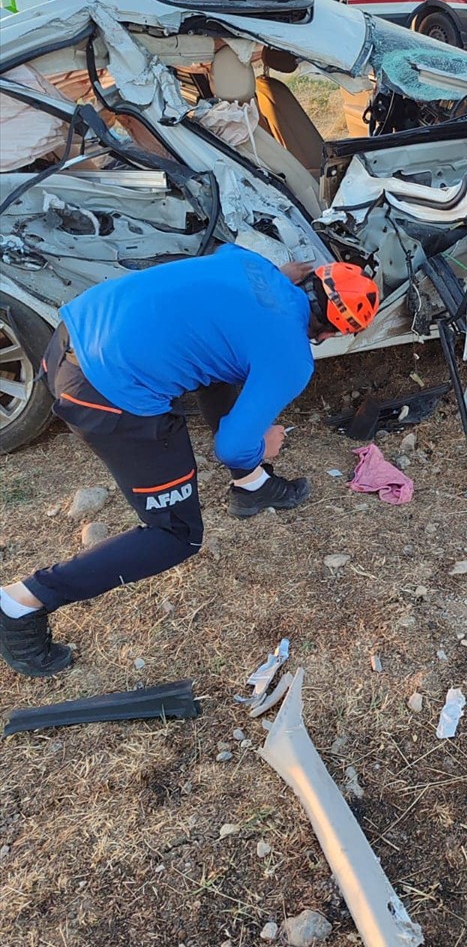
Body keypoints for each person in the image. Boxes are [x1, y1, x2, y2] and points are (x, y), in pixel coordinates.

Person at [0, 247, 380, 678]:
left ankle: (252, 488)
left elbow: (239, 297)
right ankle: (21, 602)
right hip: (104, 392)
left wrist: (277, 277)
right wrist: (259, 445)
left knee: (219, 362)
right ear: (328, 334)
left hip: (71, 335)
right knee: (176, 535)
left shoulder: (249, 261)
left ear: (307, 278)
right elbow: (231, 447)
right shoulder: (292, 357)